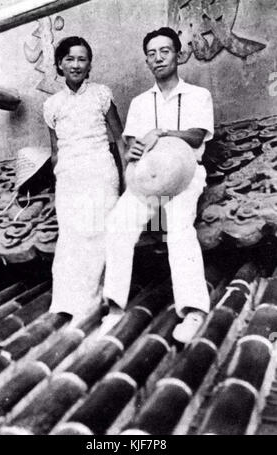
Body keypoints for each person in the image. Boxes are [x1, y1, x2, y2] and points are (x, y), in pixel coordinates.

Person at [102, 27, 214, 343]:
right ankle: (114, 309)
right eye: (151, 53)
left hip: (186, 175)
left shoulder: (197, 95)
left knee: (178, 227)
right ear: (147, 60)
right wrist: (134, 149)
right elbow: (131, 144)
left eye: (164, 51)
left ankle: (193, 310)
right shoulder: (139, 102)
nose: (158, 58)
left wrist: (162, 133)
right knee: (117, 224)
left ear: (178, 55)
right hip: (148, 179)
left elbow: (196, 135)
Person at [43, 36, 126, 323]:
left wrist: (128, 177)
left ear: (89, 64)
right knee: (71, 238)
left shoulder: (102, 94)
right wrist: (58, 185)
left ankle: (97, 304)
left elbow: (119, 139)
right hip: (68, 177)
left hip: (101, 172)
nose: (76, 64)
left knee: (100, 235)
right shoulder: (51, 105)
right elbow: (55, 151)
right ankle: (67, 304)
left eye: (82, 59)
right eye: (70, 59)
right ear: (59, 64)